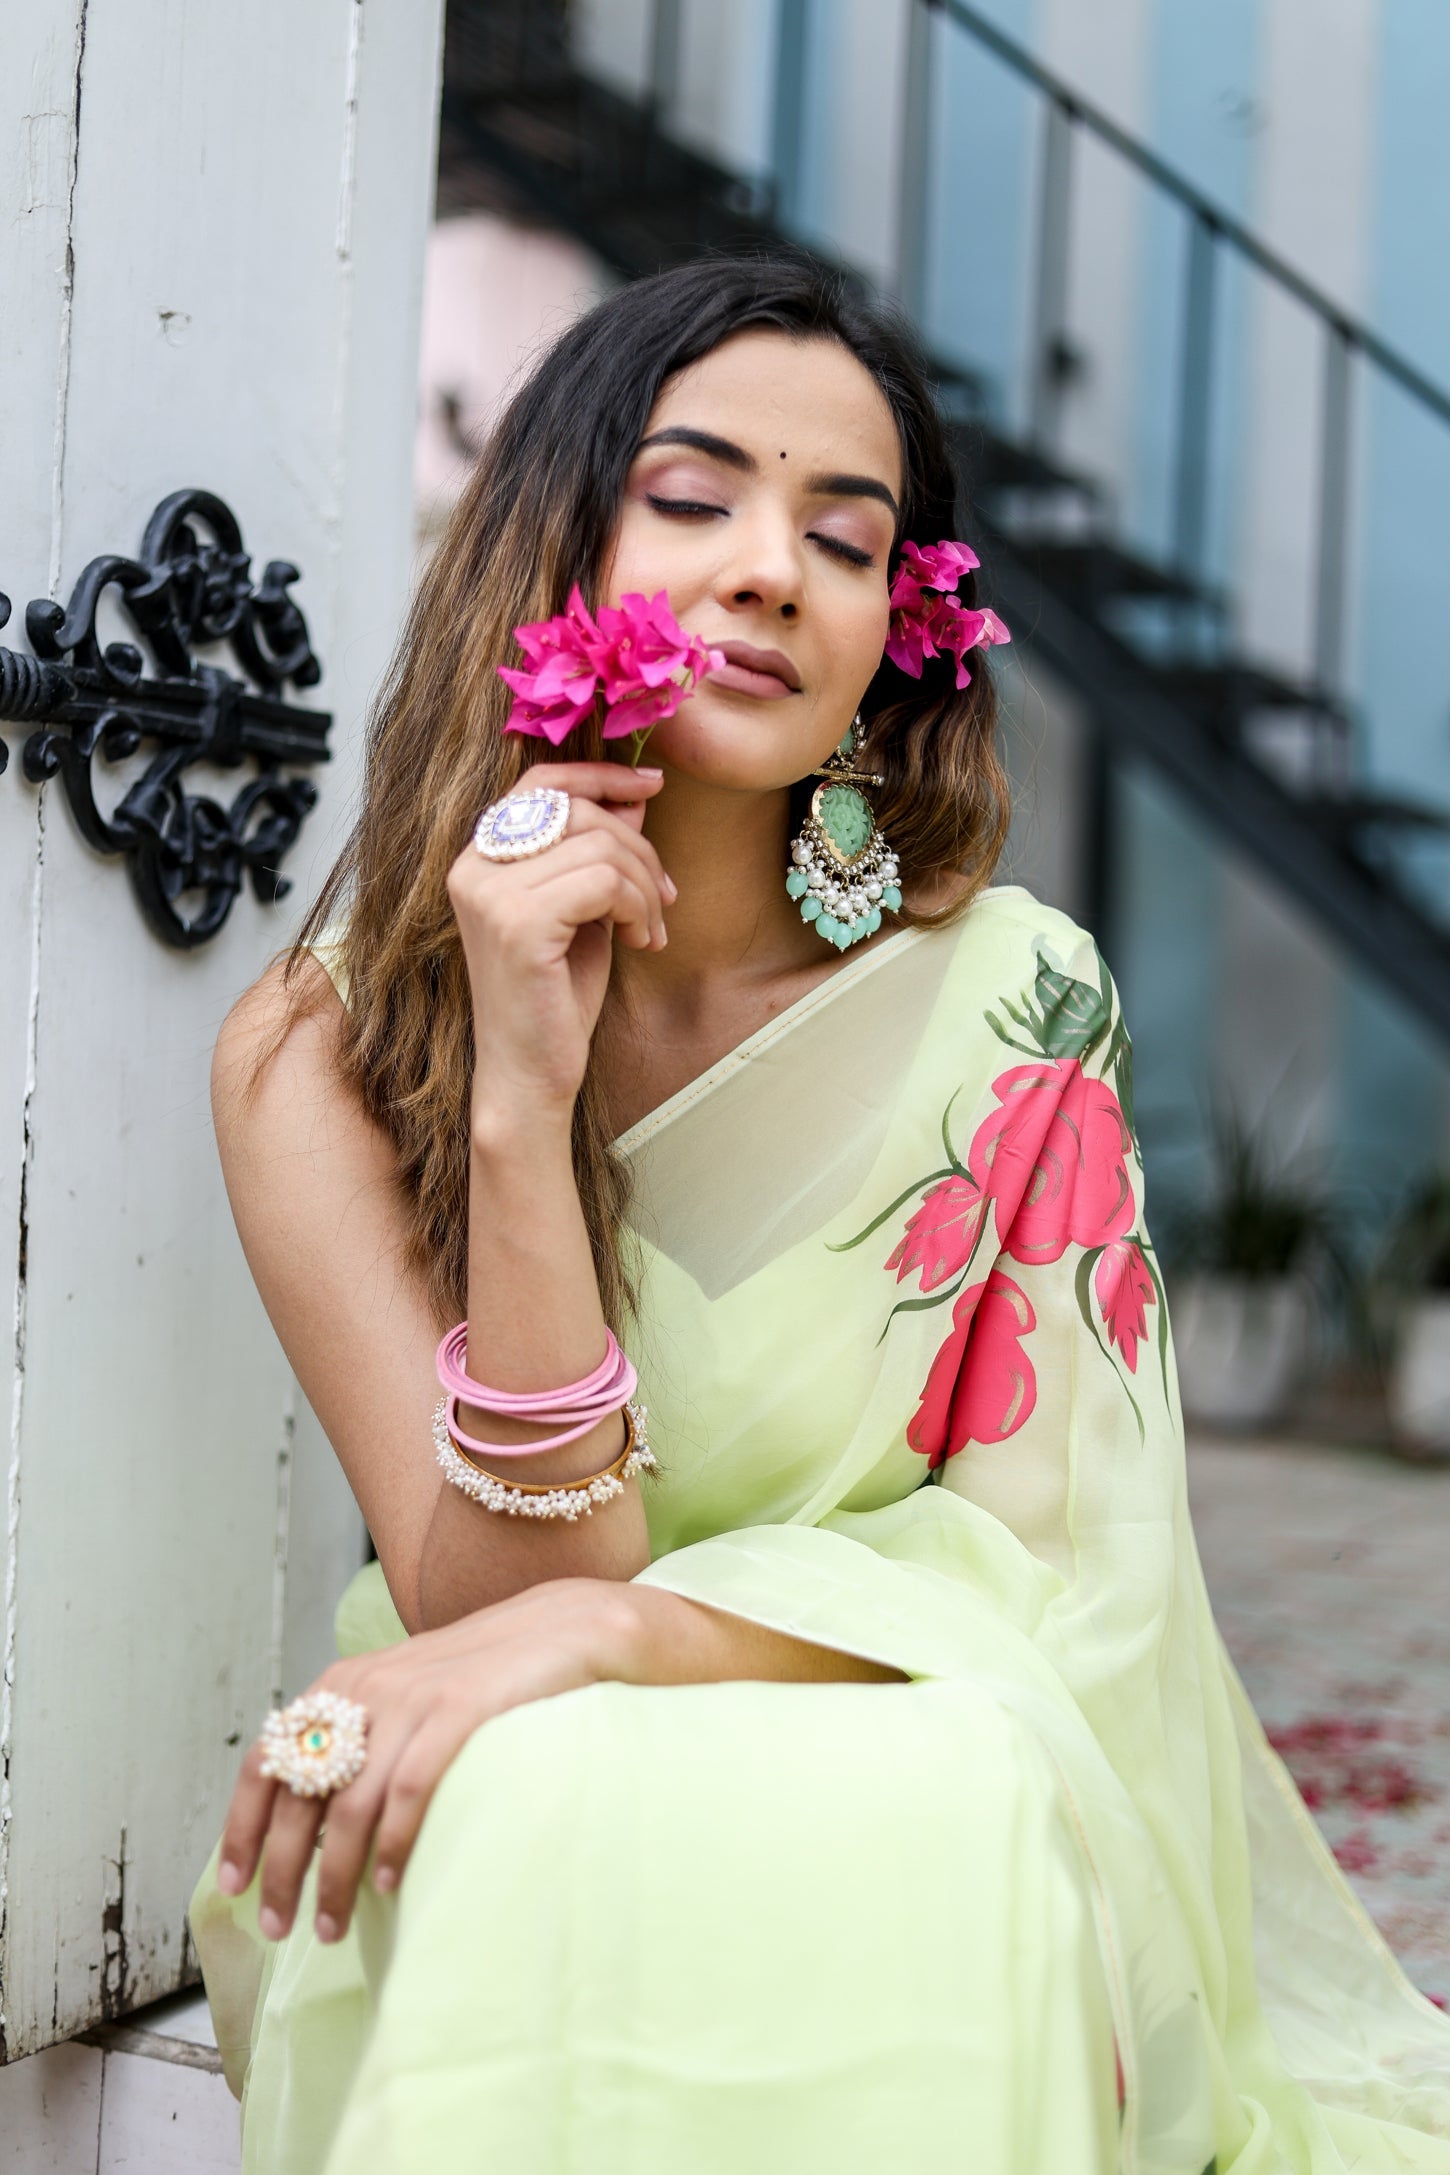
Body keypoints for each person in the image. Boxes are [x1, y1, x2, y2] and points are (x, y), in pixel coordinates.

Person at [189, 254, 1450, 2174]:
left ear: (893, 633)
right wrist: (525, 1104)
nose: (771, 567)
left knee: (928, 1799)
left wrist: (630, 1641)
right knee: (524, 1782)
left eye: (845, 539)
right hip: (500, 1722)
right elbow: (498, 1609)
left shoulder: (1015, 1004)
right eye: (691, 499)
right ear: (547, 547)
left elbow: (1064, 1589)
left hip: (910, 1729)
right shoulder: (324, 1050)